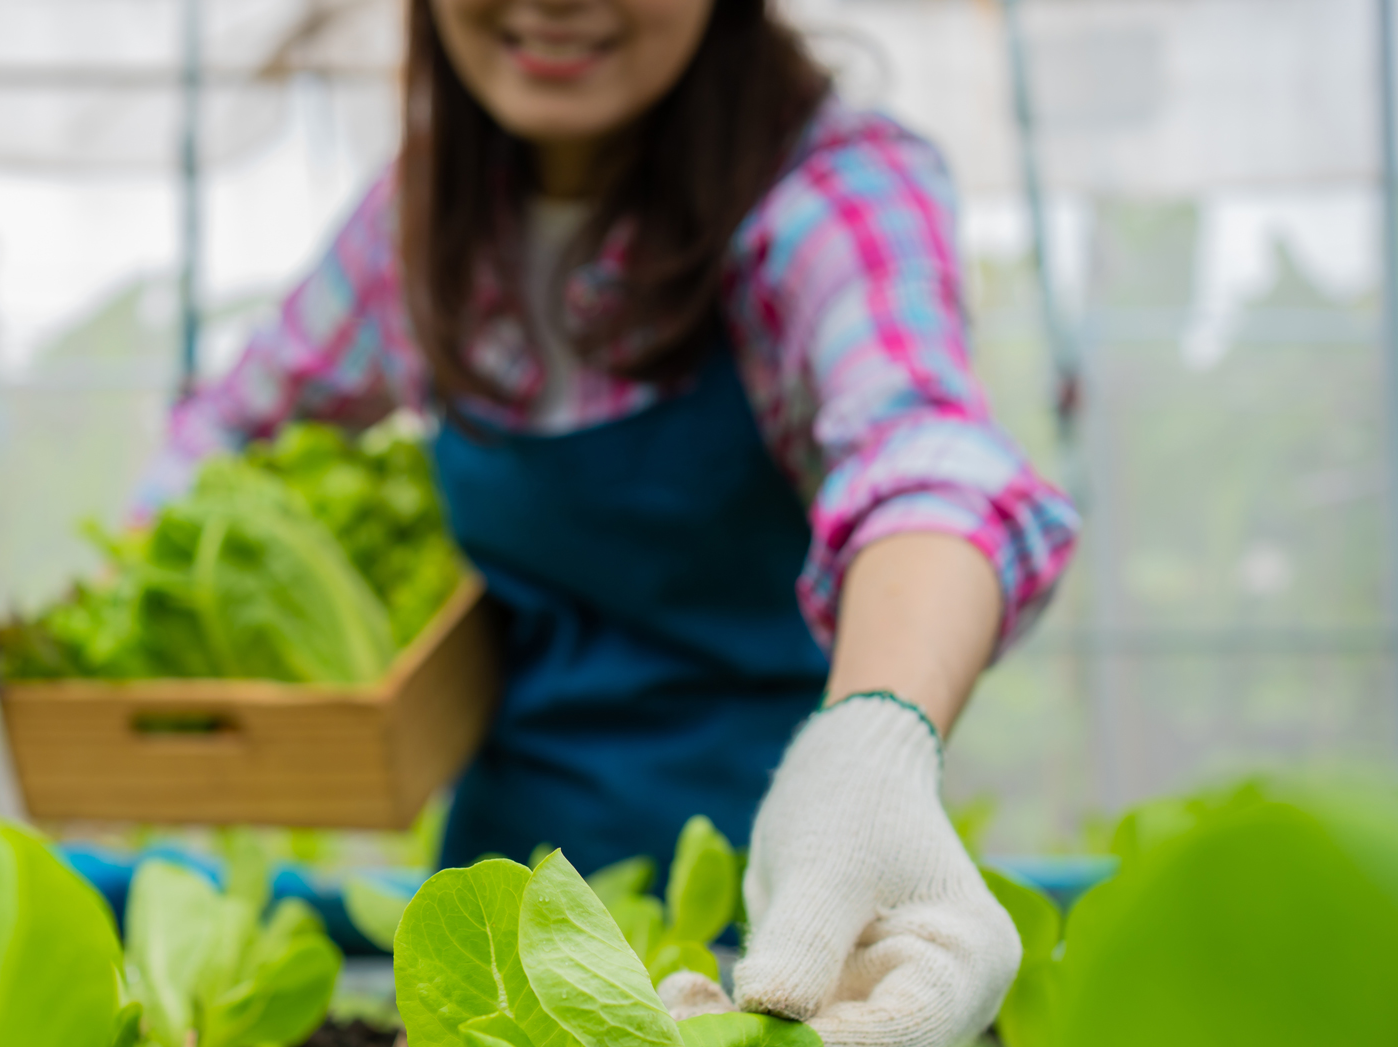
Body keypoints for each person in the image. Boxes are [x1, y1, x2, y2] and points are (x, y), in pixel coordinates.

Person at [139, 1, 1078, 1043]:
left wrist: (873, 737)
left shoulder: (826, 189)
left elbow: (922, 457)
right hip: (504, 930)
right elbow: (226, 433)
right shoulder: (426, 216)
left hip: (785, 924)